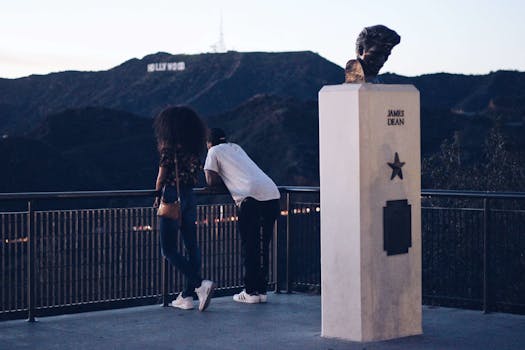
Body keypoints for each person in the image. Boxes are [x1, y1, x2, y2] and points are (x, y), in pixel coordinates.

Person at [204, 128, 280, 304]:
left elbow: (210, 180)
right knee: (263, 245)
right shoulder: (235, 147)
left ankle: (250, 292)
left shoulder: (213, 151)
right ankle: (261, 291)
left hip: (250, 198)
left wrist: (226, 181)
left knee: (250, 245)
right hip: (272, 194)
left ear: (209, 143)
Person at [153, 106, 215, 311]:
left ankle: (199, 284)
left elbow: (162, 177)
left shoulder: (169, 149)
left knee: (168, 248)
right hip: (189, 196)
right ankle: (187, 296)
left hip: (171, 196)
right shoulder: (194, 151)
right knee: (191, 245)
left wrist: (156, 195)